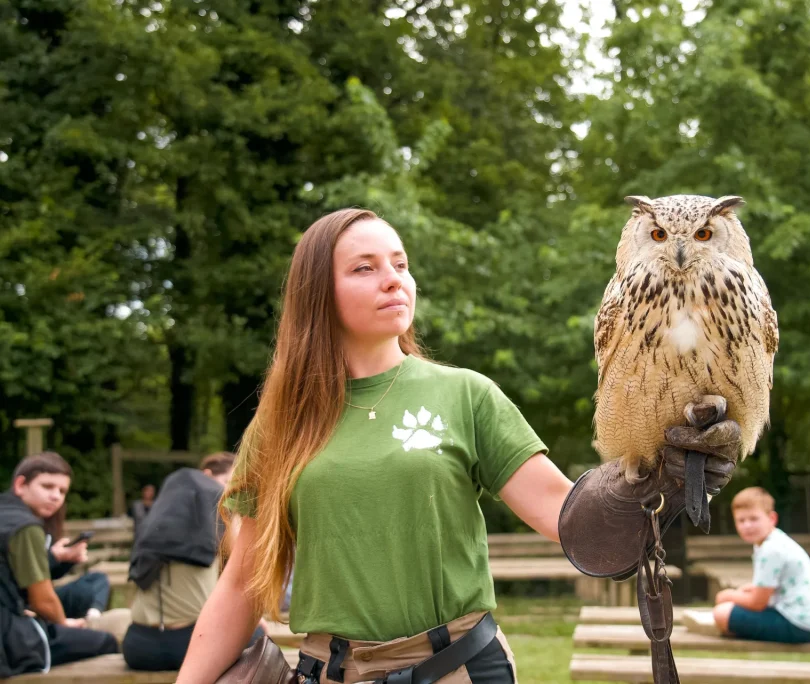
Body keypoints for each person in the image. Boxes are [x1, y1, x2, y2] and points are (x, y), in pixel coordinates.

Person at [175, 208, 579, 684]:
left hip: (459, 668)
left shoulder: (466, 394)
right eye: (365, 268)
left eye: (400, 264)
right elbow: (242, 583)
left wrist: (645, 478)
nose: (393, 279)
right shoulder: (282, 422)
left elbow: (564, 512)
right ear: (318, 294)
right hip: (333, 672)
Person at [122, 452, 266, 671]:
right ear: (207, 476)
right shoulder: (217, 517)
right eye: (228, 483)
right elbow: (244, 572)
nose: (231, 494)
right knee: (258, 635)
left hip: (138, 646)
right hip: (192, 643)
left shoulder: (155, 521)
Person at [0, 452, 119, 676]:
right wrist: (64, 623)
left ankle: (89, 618)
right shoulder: (25, 527)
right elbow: (43, 600)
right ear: (20, 485)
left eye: (62, 491)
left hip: (12, 618)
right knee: (106, 642)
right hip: (10, 641)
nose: (55, 496)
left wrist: (58, 559)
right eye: (47, 486)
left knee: (96, 581)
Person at [683, 486, 810, 643]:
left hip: (800, 625)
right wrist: (747, 590)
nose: (747, 525)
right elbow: (770, 586)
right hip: (809, 622)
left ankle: (723, 624)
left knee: (722, 611)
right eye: (741, 520)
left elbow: (757, 603)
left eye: (754, 519)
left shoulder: (770, 550)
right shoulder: (774, 541)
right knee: (733, 603)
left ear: (772, 518)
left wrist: (728, 595)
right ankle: (727, 625)